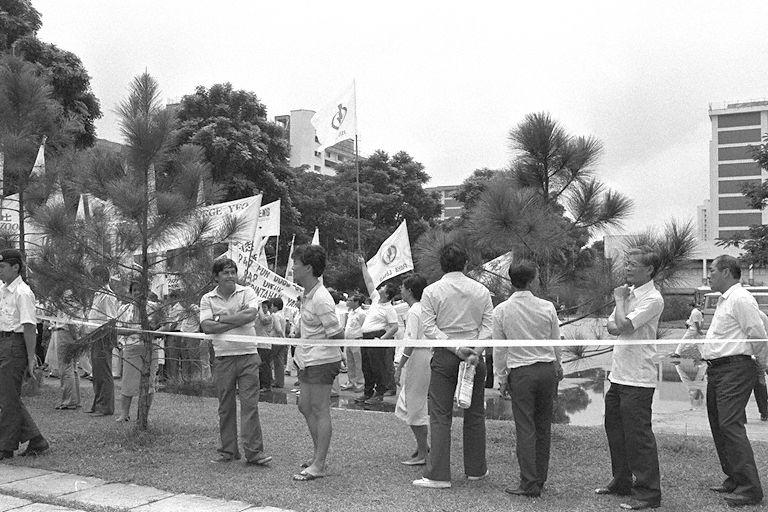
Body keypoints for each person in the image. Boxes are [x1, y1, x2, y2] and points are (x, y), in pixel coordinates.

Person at [413, 243, 493, 489]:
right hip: (474, 357)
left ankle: (438, 475)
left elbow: (429, 327)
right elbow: (489, 327)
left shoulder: (432, 291)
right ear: (466, 264)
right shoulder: (481, 290)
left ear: (441, 264)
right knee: (475, 414)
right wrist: (475, 352)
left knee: (440, 414)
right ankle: (476, 470)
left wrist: (456, 348)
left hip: (446, 356)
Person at [596, 246, 664, 510]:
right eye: (627, 263)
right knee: (614, 429)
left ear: (649, 269)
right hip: (619, 375)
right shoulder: (629, 295)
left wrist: (619, 302)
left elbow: (623, 325)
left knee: (638, 436)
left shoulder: (652, 299)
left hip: (638, 378)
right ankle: (621, 480)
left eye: (633, 264)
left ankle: (648, 492)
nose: (627, 268)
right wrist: (621, 310)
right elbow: (612, 327)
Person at [493, 261, 562, 498]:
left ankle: (529, 481)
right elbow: (556, 341)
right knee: (543, 426)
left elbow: (500, 349)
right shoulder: (547, 307)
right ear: (532, 280)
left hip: (521, 372)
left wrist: (500, 377)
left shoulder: (501, 310)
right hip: (545, 370)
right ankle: (539, 478)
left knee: (525, 427)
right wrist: (558, 365)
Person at [702, 255, 767, 507]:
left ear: (727, 272)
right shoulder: (724, 300)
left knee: (730, 424)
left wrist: (762, 363)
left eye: (713, 271)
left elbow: (758, 334)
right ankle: (735, 478)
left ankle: (750, 488)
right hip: (718, 370)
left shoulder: (740, 299)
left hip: (735, 369)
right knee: (719, 424)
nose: (709, 275)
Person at [199, 258, 272, 466]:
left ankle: (254, 452)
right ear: (216, 277)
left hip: (248, 355)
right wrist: (235, 319)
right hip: (223, 358)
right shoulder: (207, 299)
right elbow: (206, 327)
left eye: (233, 272)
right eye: (225, 273)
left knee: (250, 405)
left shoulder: (247, 292)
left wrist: (220, 320)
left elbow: (250, 315)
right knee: (225, 406)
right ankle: (228, 451)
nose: (230, 276)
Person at [291, 244, 344, 481]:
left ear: (308, 268)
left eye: (296, 263)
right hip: (307, 360)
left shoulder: (322, 298)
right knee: (304, 406)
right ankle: (316, 457)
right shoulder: (307, 294)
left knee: (320, 409)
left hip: (322, 361)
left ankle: (319, 464)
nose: (292, 267)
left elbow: (336, 334)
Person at [0, 248, 50, 459]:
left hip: (15, 345)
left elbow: (30, 328)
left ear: (15, 267)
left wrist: (31, 358)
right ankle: (36, 439)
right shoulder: (4, 289)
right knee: (6, 395)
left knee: (8, 398)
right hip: (3, 342)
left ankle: (6, 446)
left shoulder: (23, 293)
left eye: (2, 267)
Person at [394, 274, 430, 466]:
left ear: (409, 290)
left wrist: (399, 367)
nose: (400, 290)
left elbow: (411, 342)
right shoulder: (421, 309)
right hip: (420, 356)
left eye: (402, 287)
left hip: (418, 357)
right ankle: (423, 445)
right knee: (407, 404)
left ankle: (423, 452)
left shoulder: (415, 311)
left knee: (414, 405)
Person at [356, 282, 399, 405]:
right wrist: (363, 265)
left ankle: (379, 393)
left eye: (383, 288)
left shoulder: (389, 309)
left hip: (376, 337)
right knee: (366, 366)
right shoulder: (375, 299)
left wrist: (382, 339)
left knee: (378, 367)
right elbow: (368, 282)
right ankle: (367, 392)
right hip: (366, 337)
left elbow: (394, 327)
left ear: (386, 294)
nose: (380, 288)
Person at [86, 265, 119, 417]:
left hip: (103, 336)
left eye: (94, 276)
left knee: (104, 372)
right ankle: (98, 403)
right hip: (95, 336)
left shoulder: (108, 295)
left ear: (100, 277)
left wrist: (104, 336)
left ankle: (106, 406)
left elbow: (111, 319)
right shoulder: (98, 294)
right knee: (97, 372)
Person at [53, 291, 81, 410]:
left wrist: (74, 335)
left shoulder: (67, 292)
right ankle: (75, 399)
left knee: (66, 368)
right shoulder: (75, 291)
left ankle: (69, 401)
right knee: (72, 368)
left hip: (65, 333)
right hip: (70, 333)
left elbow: (70, 318)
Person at [341, 293, 366, 393]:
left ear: (356, 302)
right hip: (349, 341)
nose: (348, 302)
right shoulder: (350, 312)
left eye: (350, 300)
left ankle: (360, 383)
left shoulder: (362, 313)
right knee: (350, 363)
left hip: (357, 340)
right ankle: (351, 381)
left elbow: (363, 327)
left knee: (358, 363)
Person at [269, 297, 288, 389]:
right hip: (281, 342)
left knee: (270, 361)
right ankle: (280, 382)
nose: (271, 307)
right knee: (279, 362)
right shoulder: (283, 315)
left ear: (275, 307)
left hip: (275, 340)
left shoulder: (275, 315)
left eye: (272, 305)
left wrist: (282, 336)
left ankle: (272, 380)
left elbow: (278, 329)